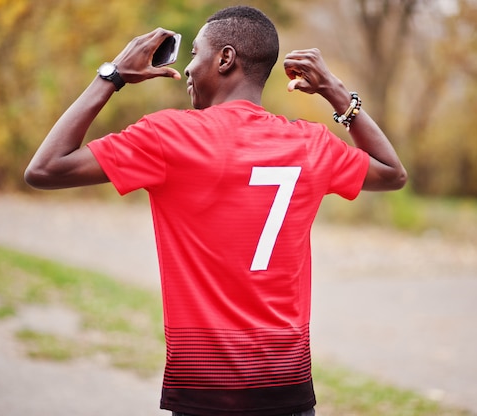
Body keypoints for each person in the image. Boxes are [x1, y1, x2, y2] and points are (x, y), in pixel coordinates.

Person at [25, 6, 407, 416]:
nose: (187, 69)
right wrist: (334, 90)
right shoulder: (310, 144)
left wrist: (112, 76)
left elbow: (44, 169)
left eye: (194, 53)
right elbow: (392, 173)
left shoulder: (169, 137)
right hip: (287, 390)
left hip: (204, 395)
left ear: (225, 59)